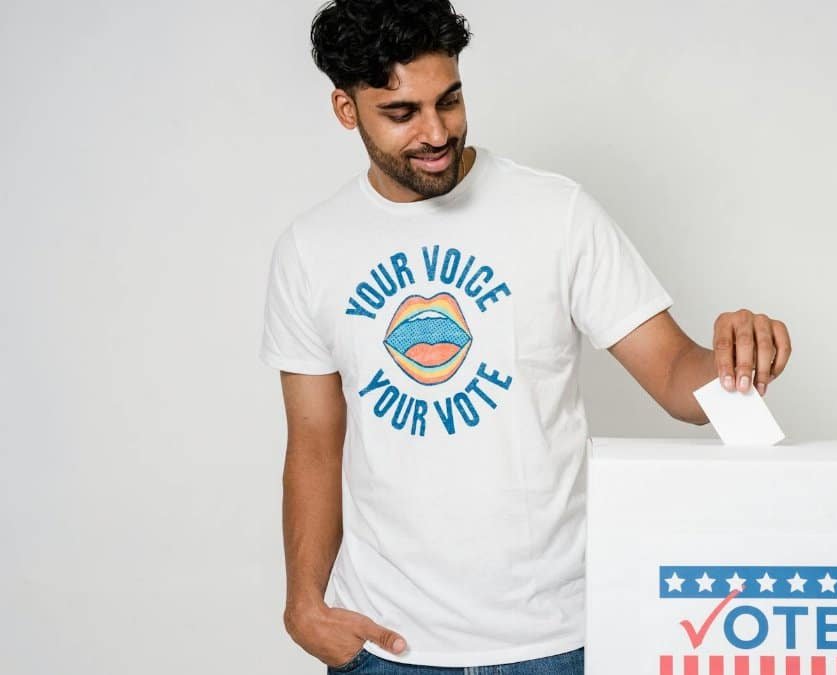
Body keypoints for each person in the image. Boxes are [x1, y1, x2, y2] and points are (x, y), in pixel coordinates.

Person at [258, 1, 793, 672]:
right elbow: (312, 443)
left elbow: (674, 377)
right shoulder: (311, 250)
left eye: (449, 101)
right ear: (347, 108)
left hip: (560, 642)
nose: (435, 132)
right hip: (384, 646)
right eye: (403, 113)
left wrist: (738, 357)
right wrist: (303, 603)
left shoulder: (555, 213)